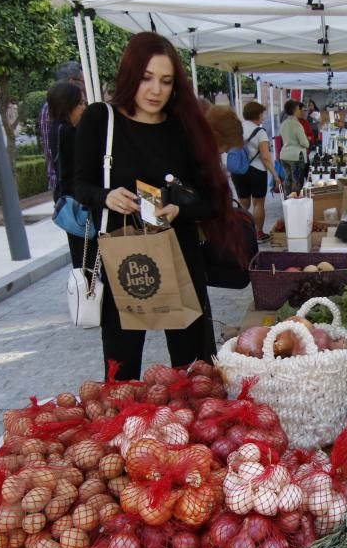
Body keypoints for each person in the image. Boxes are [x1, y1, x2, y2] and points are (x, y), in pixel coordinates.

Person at [72, 32, 244, 376]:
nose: (155, 90)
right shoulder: (101, 120)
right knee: (122, 368)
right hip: (123, 254)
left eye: (166, 81)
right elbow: (75, 183)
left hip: (179, 252)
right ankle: (127, 426)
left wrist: (181, 209)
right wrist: (104, 196)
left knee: (194, 367)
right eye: (146, 78)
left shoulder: (184, 127)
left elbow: (213, 199)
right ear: (130, 75)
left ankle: (195, 425)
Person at [47, 81, 88, 269]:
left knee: (80, 253)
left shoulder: (56, 128)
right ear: (68, 105)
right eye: (80, 104)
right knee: (85, 254)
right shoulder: (68, 132)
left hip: (67, 197)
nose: (83, 108)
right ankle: (88, 293)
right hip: (76, 200)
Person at [39, 62, 86, 195]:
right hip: (69, 189)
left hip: (63, 185)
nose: (83, 107)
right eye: (80, 103)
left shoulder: (59, 123)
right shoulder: (65, 129)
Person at [236, 101, 281, 237]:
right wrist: (275, 175)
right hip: (257, 170)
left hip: (238, 170)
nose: (264, 116)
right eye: (263, 114)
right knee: (258, 204)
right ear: (257, 114)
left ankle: (243, 233)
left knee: (243, 203)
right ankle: (258, 233)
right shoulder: (260, 132)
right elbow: (266, 157)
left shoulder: (237, 129)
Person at [279, 100, 311, 194]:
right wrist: (307, 140)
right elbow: (305, 143)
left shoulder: (283, 124)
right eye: (298, 109)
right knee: (297, 182)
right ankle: (295, 203)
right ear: (294, 110)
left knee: (288, 179)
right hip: (297, 157)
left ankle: (287, 201)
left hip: (284, 155)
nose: (300, 111)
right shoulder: (297, 125)